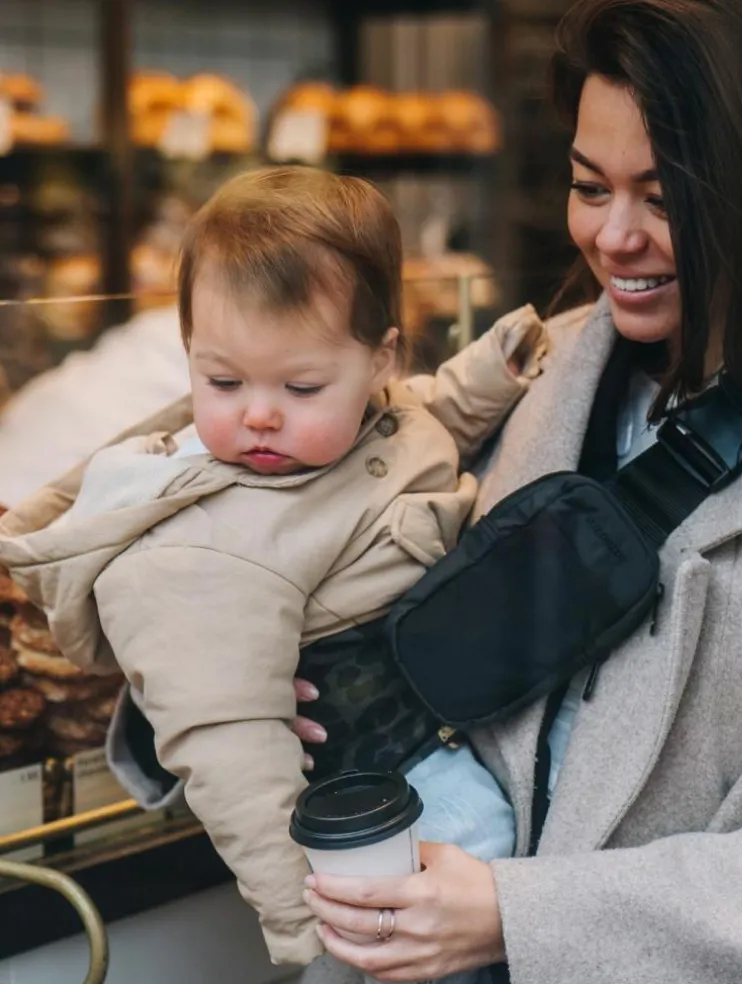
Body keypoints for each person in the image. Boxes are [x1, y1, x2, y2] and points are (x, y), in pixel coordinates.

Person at [293, 1, 742, 982]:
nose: (613, 236)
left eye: (664, 200)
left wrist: (518, 917)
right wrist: (309, 680)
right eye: (589, 186)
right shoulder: (535, 374)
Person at [0, 166, 544, 967]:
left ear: (380, 361)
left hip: (454, 724)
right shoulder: (199, 552)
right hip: (380, 787)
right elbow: (231, 750)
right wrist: (297, 915)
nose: (258, 412)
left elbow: (415, 425)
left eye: (300, 385)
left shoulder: (362, 421)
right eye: (221, 381)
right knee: (481, 877)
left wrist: (494, 372)